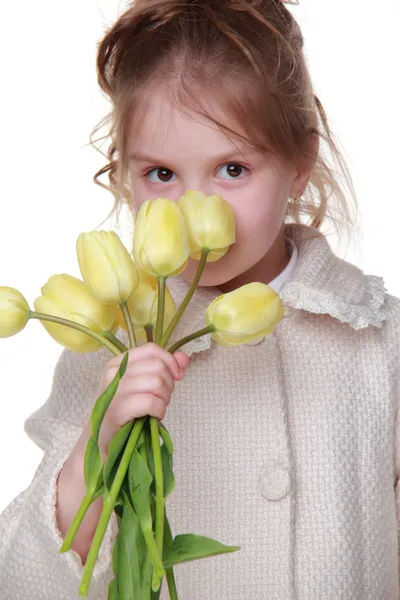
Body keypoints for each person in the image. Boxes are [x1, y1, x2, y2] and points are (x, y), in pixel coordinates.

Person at [1, 0, 399, 598]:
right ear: (123, 177)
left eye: (231, 169)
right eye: (161, 174)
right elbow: (24, 578)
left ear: (299, 163)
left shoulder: (376, 339)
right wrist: (101, 442)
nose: (194, 209)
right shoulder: (112, 342)